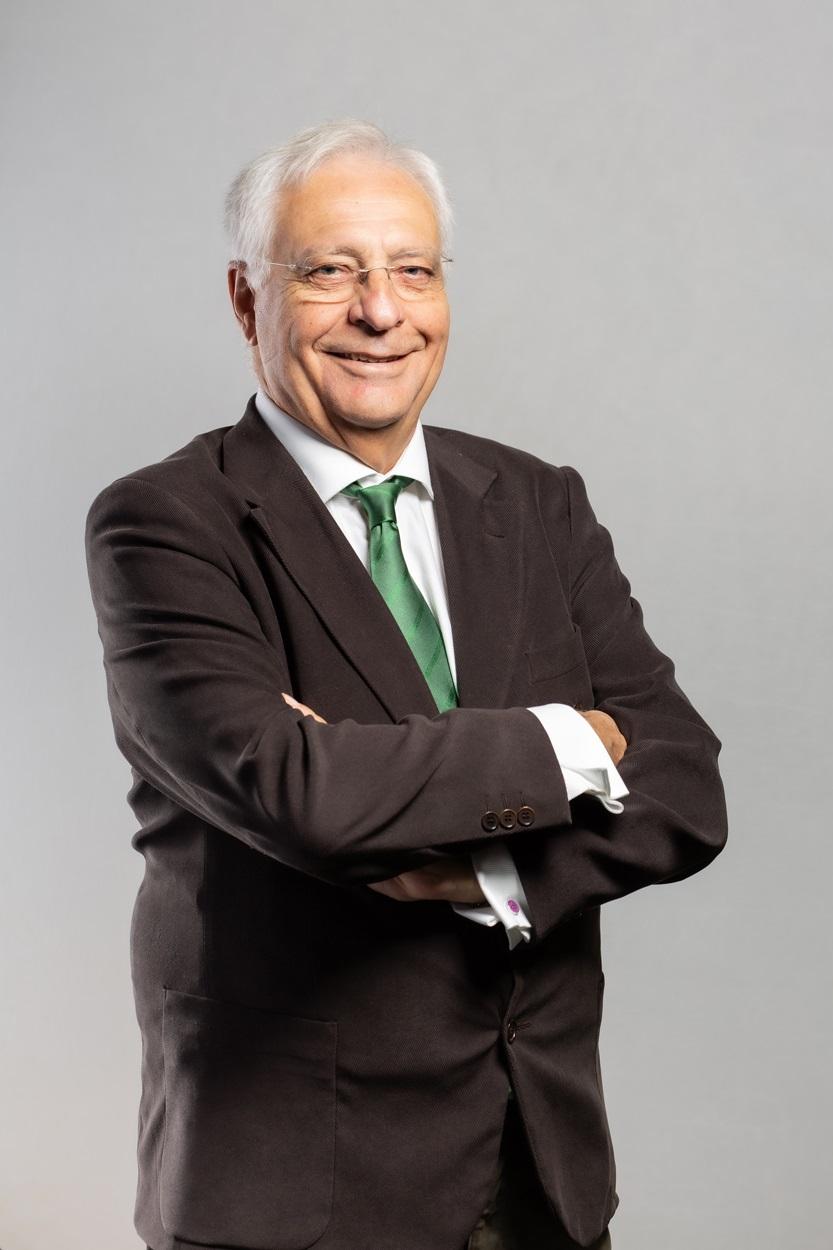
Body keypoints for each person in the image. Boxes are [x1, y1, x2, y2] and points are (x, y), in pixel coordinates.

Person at [84, 119, 728, 1250]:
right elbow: (301, 791)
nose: (381, 312)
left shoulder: (536, 501)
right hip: (296, 1191)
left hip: (540, 1170)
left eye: (413, 270)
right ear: (245, 299)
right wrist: (576, 741)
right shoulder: (165, 523)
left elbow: (684, 789)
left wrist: (488, 869)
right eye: (329, 272)